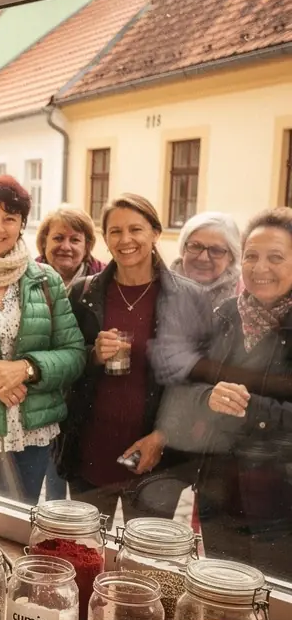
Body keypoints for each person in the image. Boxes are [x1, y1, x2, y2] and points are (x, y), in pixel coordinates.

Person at [59, 194, 207, 525]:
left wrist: (162, 437)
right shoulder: (84, 293)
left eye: (136, 229)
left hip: (155, 457)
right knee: (87, 549)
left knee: (143, 562)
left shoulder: (189, 297)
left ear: (155, 232)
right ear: (105, 238)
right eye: (115, 231)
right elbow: (66, 364)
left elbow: (198, 381)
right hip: (91, 451)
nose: (125, 240)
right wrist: (93, 355)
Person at [0, 176, 85, 505]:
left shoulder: (45, 279)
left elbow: (74, 354)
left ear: (22, 224)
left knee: (15, 525)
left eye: (10, 218)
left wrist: (27, 369)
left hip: (31, 434)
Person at [173, 209, 292, 568]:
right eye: (252, 256)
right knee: (221, 593)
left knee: (273, 602)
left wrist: (248, 406)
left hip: (281, 498)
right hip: (218, 488)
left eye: (276, 257)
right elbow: (188, 389)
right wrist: (209, 397)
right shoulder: (224, 315)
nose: (260, 268)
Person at [171, 211, 242, 307]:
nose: (203, 258)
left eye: (216, 250)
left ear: (231, 257)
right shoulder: (159, 287)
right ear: (183, 249)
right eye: (195, 246)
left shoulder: (245, 298)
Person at [35, 208, 106, 289]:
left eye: (75, 240)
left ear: (87, 246)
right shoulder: (26, 276)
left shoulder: (106, 278)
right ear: (44, 242)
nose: (66, 247)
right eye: (58, 238)